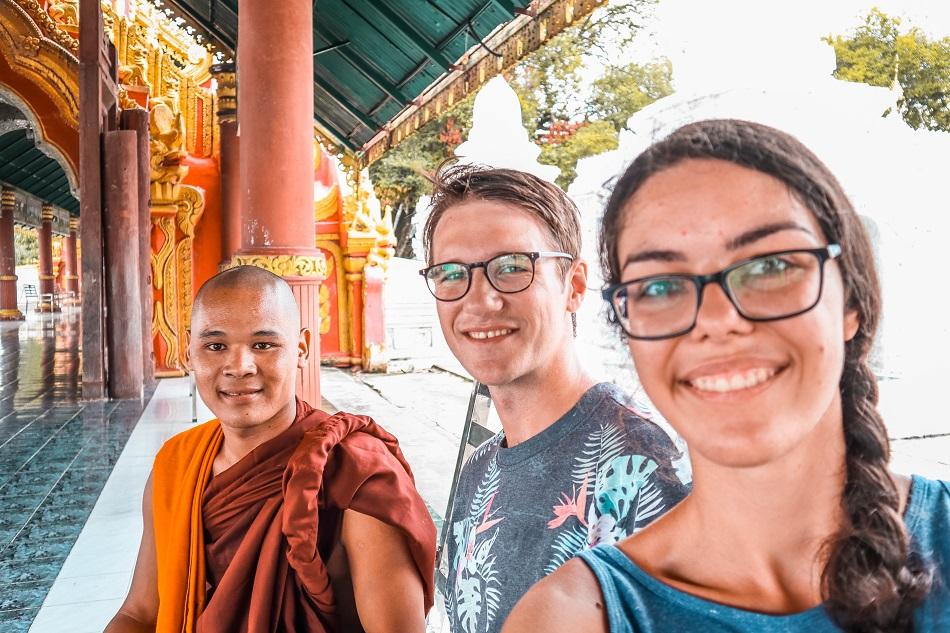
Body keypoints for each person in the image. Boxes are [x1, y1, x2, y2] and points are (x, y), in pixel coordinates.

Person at [503, 119, 949, 633]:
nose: (717, 320)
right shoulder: (571, 617)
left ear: (850, 301)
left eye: (769, 266)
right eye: (661, 285)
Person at [421, 165, 690, 633]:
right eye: (450, 273)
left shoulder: (642, 466)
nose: (480, 300)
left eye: (511, 268)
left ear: (575, 286)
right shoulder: (479, 468)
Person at [105, 265, 436, 633]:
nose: (240, 367)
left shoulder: (357, 473)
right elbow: (139, 613)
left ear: (301, 349)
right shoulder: (177, 463)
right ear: (189, 354)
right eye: (215, 346)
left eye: (263, 345)